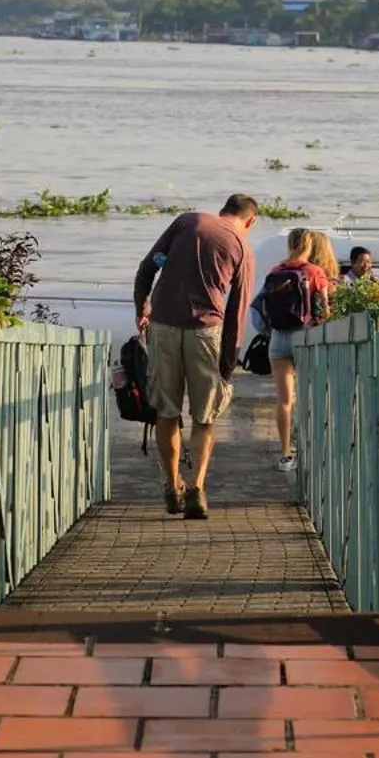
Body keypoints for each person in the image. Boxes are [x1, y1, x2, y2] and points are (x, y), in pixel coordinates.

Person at [134, 194, 259, 520]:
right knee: (204, 416)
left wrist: (141, 307)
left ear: (223, 211)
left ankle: (172, 484)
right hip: (206, 331)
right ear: (250, 221)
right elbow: (237, 310)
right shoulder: (243, 248)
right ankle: (196, 488)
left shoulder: (188, 221)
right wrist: (228, 362)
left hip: (163, 325)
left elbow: (147, 268)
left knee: (166, 411)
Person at [257, 228, 333, 474]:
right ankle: (310, 451)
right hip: (305, 337)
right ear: (309, 246)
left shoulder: (275, 271)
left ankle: (285, 455)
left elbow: (261, 307)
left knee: (284, 401)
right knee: (310, 397)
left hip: (279, 339)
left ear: (289, 244)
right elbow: (324, 310)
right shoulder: (314, 272)